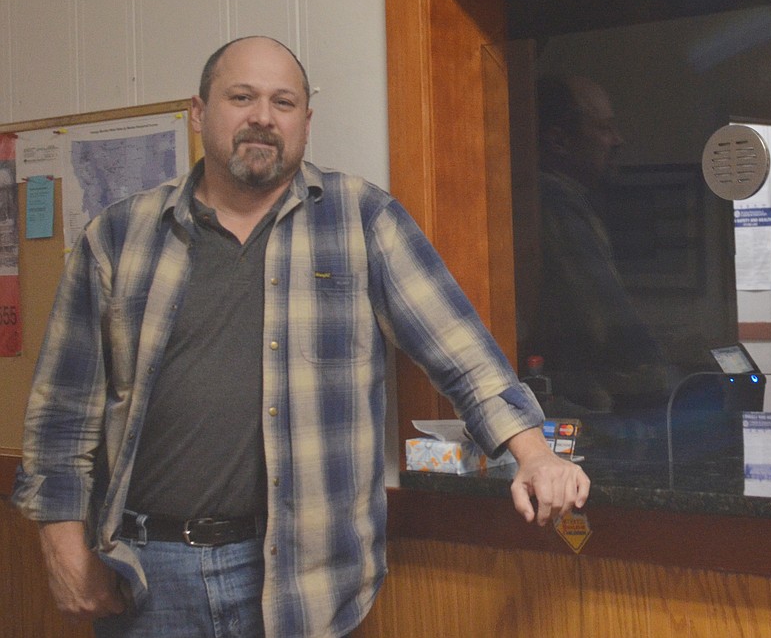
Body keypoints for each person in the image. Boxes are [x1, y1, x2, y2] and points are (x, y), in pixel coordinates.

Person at [12, 36, 589, 638]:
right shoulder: (119, 236)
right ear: (199, 111)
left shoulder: (363, 219)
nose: (263, 116)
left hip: (304, 581)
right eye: (242, 97)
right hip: (150, 574)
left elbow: (464, 356)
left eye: (283, 102)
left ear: (305, 123)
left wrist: (536, 453)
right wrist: (62, 548)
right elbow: (63, 413)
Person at [532, 74, 672, 415]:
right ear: (559, 141)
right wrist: (659, 377)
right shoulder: (555, 203)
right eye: (605, 128)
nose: (617, 141)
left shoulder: (568, 200)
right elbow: (608, 318)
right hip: (586, 406)